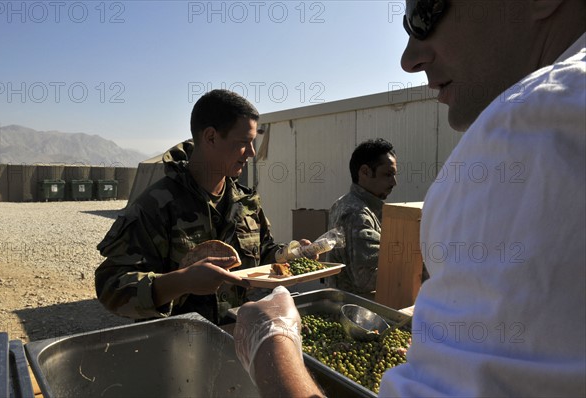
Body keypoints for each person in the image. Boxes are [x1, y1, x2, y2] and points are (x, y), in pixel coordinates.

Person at [234, 0, 586, 396]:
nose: (409, 58)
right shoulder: (536, 122)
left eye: (426, 12)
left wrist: (270, 347)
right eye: (415, 18)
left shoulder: (540, 122)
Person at [95, 89, 311, 325]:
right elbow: (110, 287)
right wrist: (182, 281)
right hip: (176, 347)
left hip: (235, 339)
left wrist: (292, 253)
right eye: (244, 143)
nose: (251, 153)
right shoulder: (156, 205)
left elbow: (264, 251)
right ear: (210, 137)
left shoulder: (246, 202)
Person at [325, 138, 397, 297]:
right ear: (365, 172)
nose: (394, 182)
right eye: (388, 174)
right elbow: (365, 280)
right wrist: (411, 264)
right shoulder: (357, 213)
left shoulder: (344, 203)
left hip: (345, 305)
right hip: (358, 312)